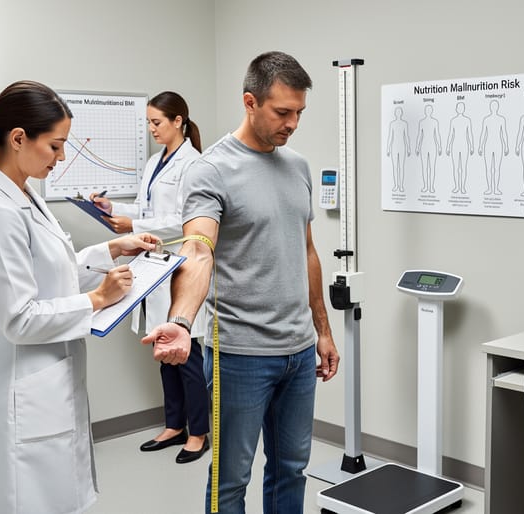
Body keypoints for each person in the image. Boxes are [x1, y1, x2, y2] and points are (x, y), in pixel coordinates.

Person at [141, 51, 341, 513]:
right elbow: (197, 249)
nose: (292, 123)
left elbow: (306, 250)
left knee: (290, 468)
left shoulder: (298, 167)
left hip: (296, 352)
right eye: (282, 112)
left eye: (299, 113)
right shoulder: (211, 170)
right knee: (230, 480)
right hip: (239, 355)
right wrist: (180, 319)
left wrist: (322, 330)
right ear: (250, 102)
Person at [0, 80, 158, 514]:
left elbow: (50, 273)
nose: (62, 158)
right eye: (56, 146)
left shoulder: (24, 194)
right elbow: (20, 319)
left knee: (59, 497)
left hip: (48, 376)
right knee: (28, 500)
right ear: (19, 138)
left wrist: (110, 250)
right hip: (18, 382)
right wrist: (97, 299)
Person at [89, 91, 209, 463]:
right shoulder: (156, 161)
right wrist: (116, 210)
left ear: (179, 121)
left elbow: (188, 218)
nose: (152, 128)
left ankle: (199, 433)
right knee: (163, 352)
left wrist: (135, 223)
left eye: (157, 122)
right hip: (154, 265)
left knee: (186, 356)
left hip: (181, 266)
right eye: (149, 122)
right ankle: (174, 425)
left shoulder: (195, 164)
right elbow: (146, 208)